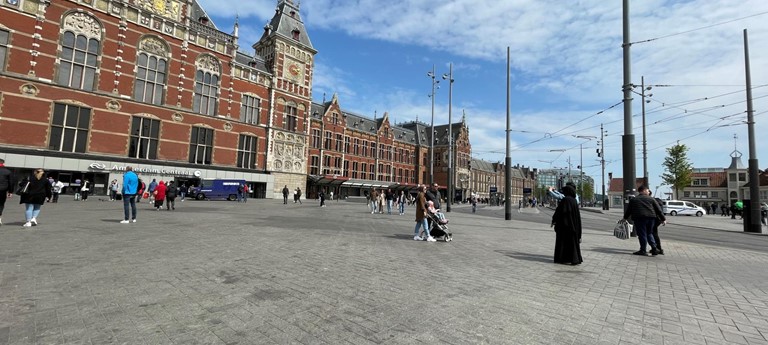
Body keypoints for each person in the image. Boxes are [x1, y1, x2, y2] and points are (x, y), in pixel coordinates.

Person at [623, 185, 666, 256]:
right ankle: (654, 248)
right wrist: (663, 219)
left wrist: (625, 218)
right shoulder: (651, 199)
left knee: (642, 234)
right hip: (651, 218)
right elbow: (658, 210)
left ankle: (643, 250)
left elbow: (629, 211)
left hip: (639, 218)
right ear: (643, 190)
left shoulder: (634, 199)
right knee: (649, 233)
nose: (648, 191)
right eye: (647, 190)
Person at [550, 184, 582, 265]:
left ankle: (562, 258)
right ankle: (574, 259)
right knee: (573, 244)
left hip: (564, 227)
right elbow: (578, 217)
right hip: (573, 227)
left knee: (562, 243)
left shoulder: (565, 200)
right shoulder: (574, 201)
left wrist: (554, 221)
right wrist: (579, 233)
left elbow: (559, 212)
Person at [0, 158, 14, 226]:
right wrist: (10, 191)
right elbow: (11, 182)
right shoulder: (8, 171)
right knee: (1, 204)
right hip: (2, 190)